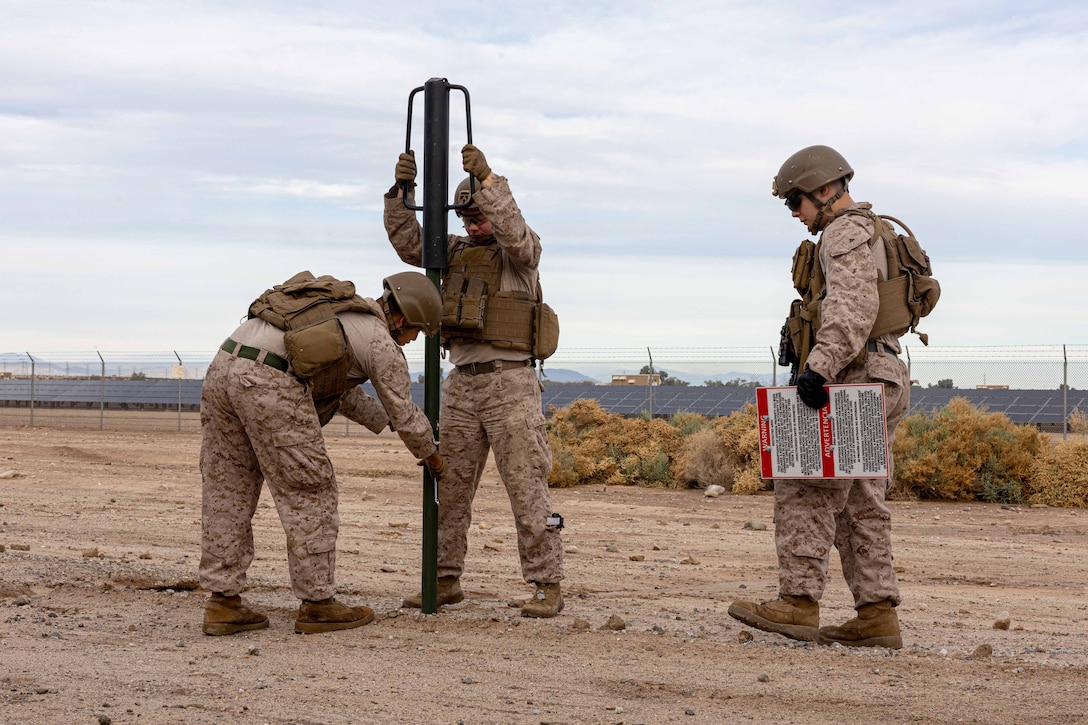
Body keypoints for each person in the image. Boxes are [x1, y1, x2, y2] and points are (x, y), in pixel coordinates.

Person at [728, 145, 910, 649]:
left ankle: (798, 603)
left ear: (825, 191)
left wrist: (819, 369)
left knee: (806, 484)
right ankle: (875, 613)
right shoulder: (876, 230)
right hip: (881, 372)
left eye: (797, 202)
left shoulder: (843, 232)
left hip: (853, 375)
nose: (794, 213)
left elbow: (853, 307)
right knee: (859, 502)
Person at [199, 271, 445, 635]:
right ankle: (318, 604)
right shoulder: (380, 341)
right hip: (271, 381)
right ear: (402, 319)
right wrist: (432, 455)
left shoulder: (339, 320)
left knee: (228, 490)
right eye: (416, 333)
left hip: (224, 369)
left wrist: (386, 422)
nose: (411, 342)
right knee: (310, 490)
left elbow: (343, 393)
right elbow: (405, 410)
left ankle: (222, 603)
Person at [383, 143, 565, 618]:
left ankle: (547, 584)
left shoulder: (519, 255)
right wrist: (401, 192)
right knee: (450, 486)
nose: (471, 227)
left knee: (527, 488)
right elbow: (408, 242)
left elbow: (512, 227)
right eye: (465, 220)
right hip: (461, 384)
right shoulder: (454, 253)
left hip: (510, 385)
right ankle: (444, 579)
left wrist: (488, 178)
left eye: (478, 218)